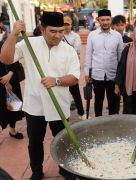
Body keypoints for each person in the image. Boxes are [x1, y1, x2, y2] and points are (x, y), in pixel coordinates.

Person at [0, 12, 80, 180]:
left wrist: (56, 80)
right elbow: (5, 59)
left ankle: (65, 169)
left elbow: (74, 78)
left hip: (59, 105)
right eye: (53, 31)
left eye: (61, 31)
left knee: (63, 141)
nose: (58, 35)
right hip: (34, 105)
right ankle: (37, 170)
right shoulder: (29, 44)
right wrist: (14, 34)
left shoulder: (69, 50)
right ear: (42, 29)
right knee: (35, 142)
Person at [84, 9, 123, 117]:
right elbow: (88, 55)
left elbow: (120, 58)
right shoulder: (92, 35)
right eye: (102, 20)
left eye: (107, 19)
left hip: (113, 76)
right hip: (97, 75)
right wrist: (87, 73)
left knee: (113, 102)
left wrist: (120, 77)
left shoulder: (117, 36)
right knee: (98, 101)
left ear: (111, 20)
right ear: (98, 20)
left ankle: (112, 123)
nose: (105, 22)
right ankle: (98, 123)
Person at [63, 16, 86, 120]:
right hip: (61, 68)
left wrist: (63, 50)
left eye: (67, 24)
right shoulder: (59, 35)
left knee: (75, 92)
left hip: (72, 68)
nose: (66, 26)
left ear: (71, 25)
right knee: (62, 93)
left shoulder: (75, 36)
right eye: (64, 24)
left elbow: (75, 50)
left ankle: (81, 113)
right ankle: (64, 115)